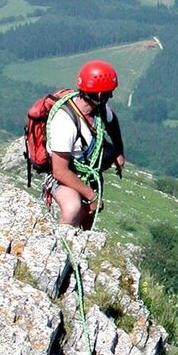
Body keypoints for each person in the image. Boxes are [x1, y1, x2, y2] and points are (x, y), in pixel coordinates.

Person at [45, 59, 125, 229]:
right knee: (72, 208)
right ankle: (61, 248)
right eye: (108, 93)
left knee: (88, 215)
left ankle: (80, 243)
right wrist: (92, 196)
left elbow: (112, 122)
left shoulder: (98, 109)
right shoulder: (65, 121)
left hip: (86, 173)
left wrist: (119, 151)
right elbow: (59, 171)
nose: (110, 96)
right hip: (64, 176)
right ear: (99, 95)